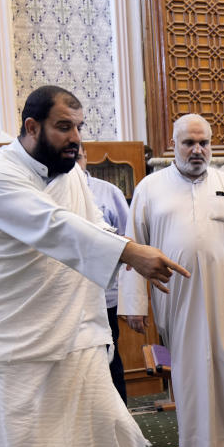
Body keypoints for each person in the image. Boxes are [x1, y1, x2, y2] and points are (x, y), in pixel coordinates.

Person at [0, 85, 189, 447]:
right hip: (11, 340)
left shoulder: (71, 176)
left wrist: (129, 255)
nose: (75, 138)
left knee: (91, 429)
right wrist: (131, 254)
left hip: (71, 330)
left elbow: (93, 228)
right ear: (31, 127)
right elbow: (52, 227)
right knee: (23, 446)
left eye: (79, 127)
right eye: (65, 127)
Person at [118, 113, 224, 447]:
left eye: (204, 142)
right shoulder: (149, 188)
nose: (197, 150)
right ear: (173, 145)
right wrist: (134, 303)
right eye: (189, 143)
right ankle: (204, 445)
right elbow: (132, 248)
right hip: (177, 297)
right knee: (191, 370)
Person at [79, 144, 130, 403]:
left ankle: (120, 417)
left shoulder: (108, 192)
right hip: (70, 297)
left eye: (78, 157)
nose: (74, 164)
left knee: (110, 355)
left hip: (105, 294)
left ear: (86, 158)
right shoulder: (49, 191)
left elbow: (128, 238)